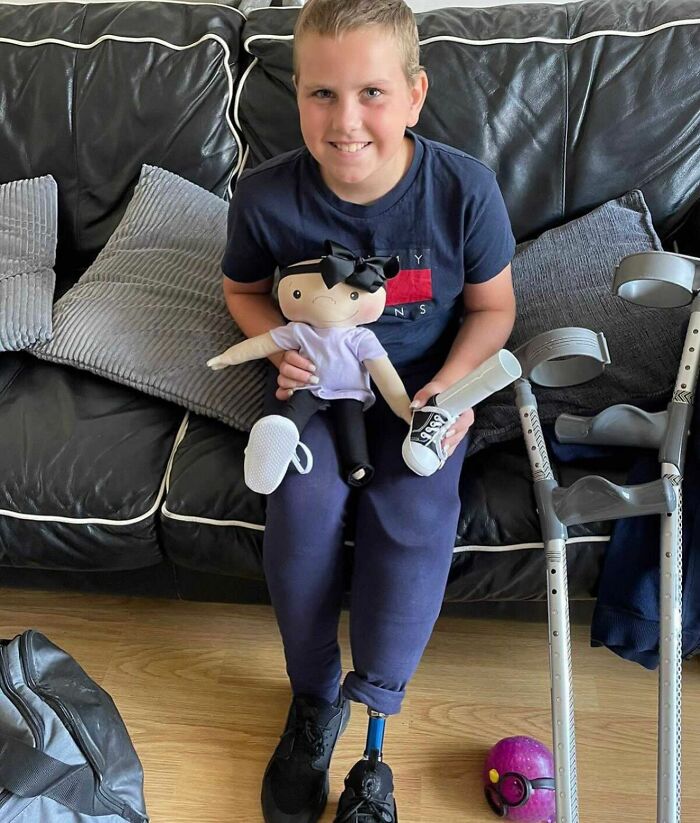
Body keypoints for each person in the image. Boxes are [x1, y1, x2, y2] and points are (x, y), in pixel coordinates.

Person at [220, 1, 516, 820]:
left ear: (415, 95)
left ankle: (377, 730)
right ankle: (315, 701)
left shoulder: (463, 189)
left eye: (371, 94)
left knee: (412, 515)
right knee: (300, 512)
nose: (345, 121)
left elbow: (494, 309)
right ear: (297, 95)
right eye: (322, 94)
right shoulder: (265, 196)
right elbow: (242, 290)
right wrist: (277, 350)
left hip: (420, 391)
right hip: (320, 391)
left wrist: (450, 387)